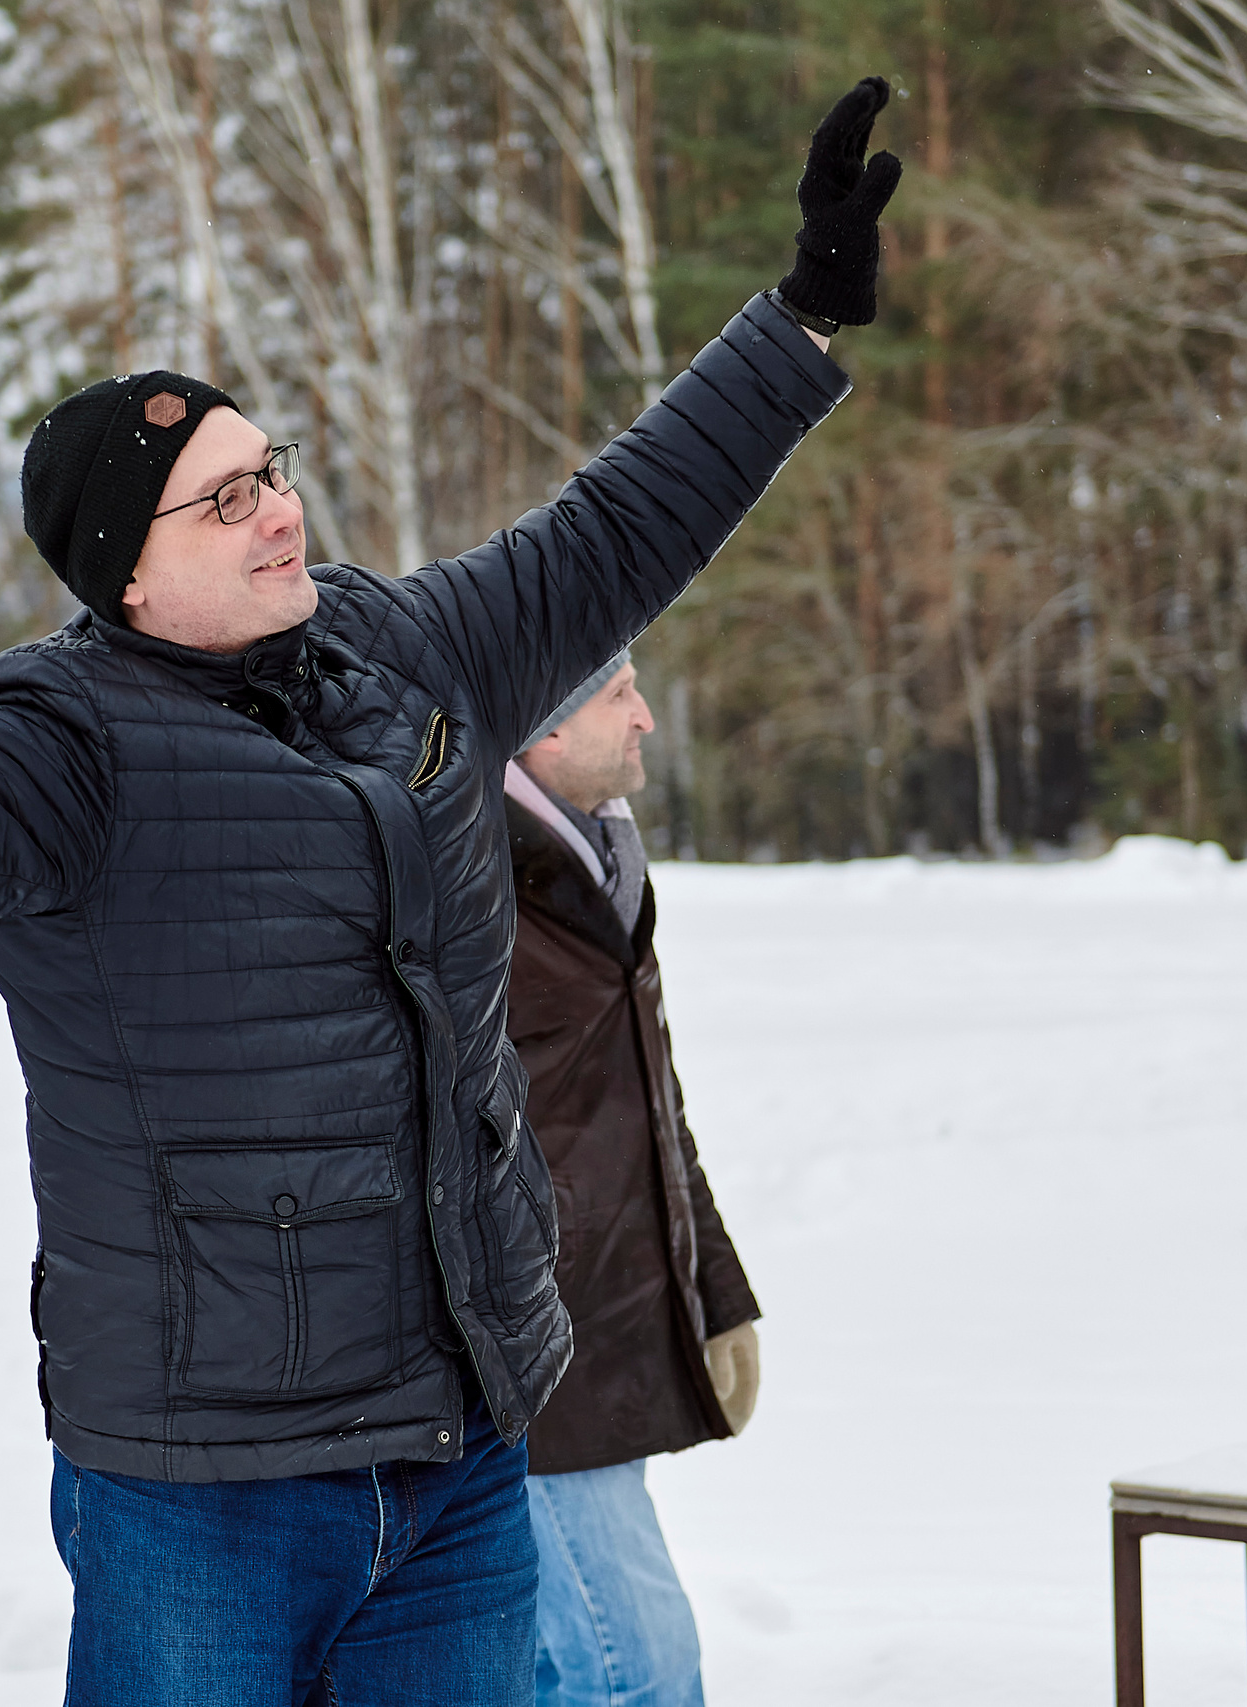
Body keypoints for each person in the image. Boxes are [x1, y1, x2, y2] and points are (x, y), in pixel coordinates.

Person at [0, 78, 895, 1706]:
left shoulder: (401, 644)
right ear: (128, 569)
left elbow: (616, 530)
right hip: (204, 1481)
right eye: (225, 496)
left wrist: (796, 325)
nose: (279, 506)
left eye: (272, 466)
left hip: (458, 1433)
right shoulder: (63, 744)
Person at [503, 658, 761, 1707]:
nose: (648, 715)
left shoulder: (597, 856)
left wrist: (717, 1291)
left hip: (606, 1329)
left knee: (573, 1666)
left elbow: (648, 1108)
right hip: (529, 1359)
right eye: (619, 693)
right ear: (544, 728)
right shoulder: (471, 879)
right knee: (632, 1672)